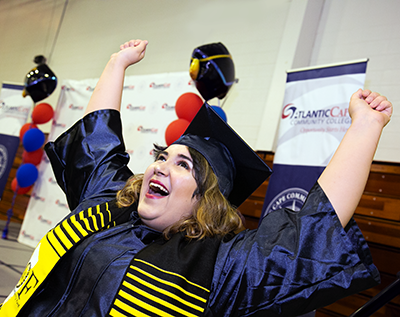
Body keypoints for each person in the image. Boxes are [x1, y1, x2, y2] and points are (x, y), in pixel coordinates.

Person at [0, 39, 392, 317]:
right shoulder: (108, 205)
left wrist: (366, 126)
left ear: (206, 201)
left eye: (183, 165)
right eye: (161, 156)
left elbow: (310, 230)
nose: (160, 166)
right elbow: (96, 138)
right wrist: (116, 64)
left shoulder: (213, 268)